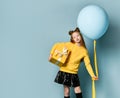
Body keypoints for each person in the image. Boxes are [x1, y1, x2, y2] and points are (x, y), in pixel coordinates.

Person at [48, 27, 98, 98]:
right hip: (64, 71)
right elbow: (56, 45)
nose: (76, 38)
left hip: (74, 73)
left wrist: (92, 75)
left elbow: (88, 64)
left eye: (78, 36)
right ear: (72, 39)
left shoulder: (84, 51)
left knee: (77, 89)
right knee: (66, 91)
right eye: (74, 37)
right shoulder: (69, 45)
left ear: (80, 36)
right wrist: (51, 54)